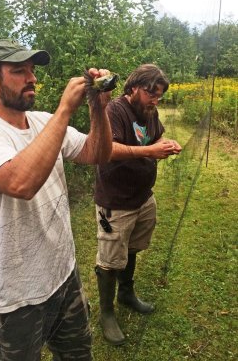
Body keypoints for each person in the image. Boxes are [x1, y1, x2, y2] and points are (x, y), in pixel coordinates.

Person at [0, 38, 113, 360]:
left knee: (78, 355)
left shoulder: (44, 121)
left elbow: (98, 152)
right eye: (19, 71)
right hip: (13, 295)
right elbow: (20, 182)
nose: (32, 78)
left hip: (62, 275)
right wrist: (64, 110)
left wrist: (98, 108)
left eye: (32, 70)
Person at [94, 64, 182, 345]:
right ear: (133, 88)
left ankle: (127, 293)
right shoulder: (115, 111)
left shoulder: (150, 112)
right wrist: (150, 151)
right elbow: (108, 150)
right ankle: (106, 313)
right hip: (116, 201)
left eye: (159, 96)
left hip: (143, 196)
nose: (155, 100)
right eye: (151, 94)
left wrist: (166, 145)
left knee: (132, 248)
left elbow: (154, 138)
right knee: (109, 260)